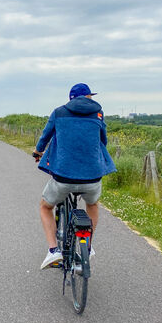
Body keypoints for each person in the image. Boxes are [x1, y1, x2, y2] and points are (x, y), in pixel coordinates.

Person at [33, 83, 116, 270]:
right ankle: (88, 245)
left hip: (63, 177)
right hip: (92, 177)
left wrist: (38, 152)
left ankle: (54, 251)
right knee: (92, 204)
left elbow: (45, 137)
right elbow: (103, 140)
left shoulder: (59, 113)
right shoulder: (98, 114)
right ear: (87, 97)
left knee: (45, 207)